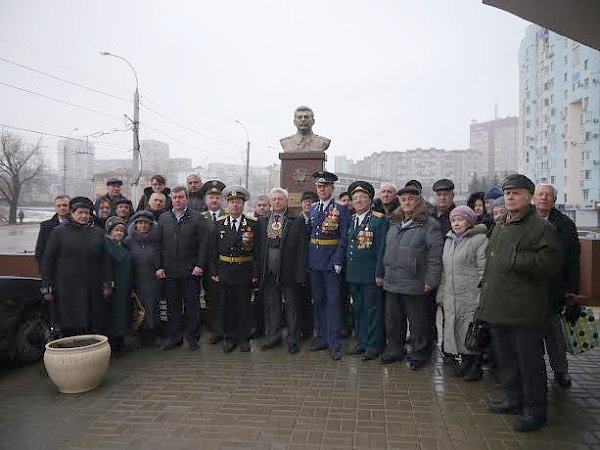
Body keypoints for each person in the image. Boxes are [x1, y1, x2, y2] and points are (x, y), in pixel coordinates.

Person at [479, 174, 562, 432]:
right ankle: (514, 399)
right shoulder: (503, 223)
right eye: (507, 193)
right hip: (498, 308)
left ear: (529, 196)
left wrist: (515, 259)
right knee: (507, 361)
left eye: (516, 192)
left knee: (530, 365)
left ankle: (535, 412)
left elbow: (550, 264)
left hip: (525, 311)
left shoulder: (542, 228)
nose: (510, 197)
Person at [381, 185, 443, 369]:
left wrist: (431, 280)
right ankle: (395, 350)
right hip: (392, 279)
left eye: (411, 199)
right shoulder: (394, 222)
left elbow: (435, 255)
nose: (407, 202)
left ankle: (419, 353)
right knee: (394, 321)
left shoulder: (429, 224)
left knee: (418, 323)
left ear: (418, 200)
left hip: (415, 281)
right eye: (403, 199)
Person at [40, 197, 112, 336]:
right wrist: (46, 287)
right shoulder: (59, 232)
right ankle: (71, 353)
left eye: (87, 213)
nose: (84, 216)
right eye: (80, 212)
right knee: (70, 323)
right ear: (71, 213)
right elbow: (48, 260)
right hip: (67, 287)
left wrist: (107, 283)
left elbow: (105, 260)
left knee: (92, 322)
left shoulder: (97, 233)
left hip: (92, 286)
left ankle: (90, 353)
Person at [533, 183, 580, 388]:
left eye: (548, 195)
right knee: (530, 336)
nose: (544, 198)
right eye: (540, 194)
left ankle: (560, 371)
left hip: (553, 288)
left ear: (554, 200)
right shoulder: (523, 220)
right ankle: (534, 372)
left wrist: (572, 289)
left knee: (554, 335)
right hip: (528, 288)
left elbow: (572, 259)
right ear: (533, 198)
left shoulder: (565, 224)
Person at [436, 205, 488, 381]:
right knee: (457, 330)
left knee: (472, 331)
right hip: (452, 295)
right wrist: (441, 294)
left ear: (470, 221)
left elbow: (484, 270)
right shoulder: (449, 240)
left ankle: (476, 366)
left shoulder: (480, 240)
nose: (456, 223)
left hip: (471, 295)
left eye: (460, 219)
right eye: (453, 220)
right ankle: (465, 362)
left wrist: (482, 296)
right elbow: (444, 271)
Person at [155, 186, 208, 351]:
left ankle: (193, 338)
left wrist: (200, 265)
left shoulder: (197, 218)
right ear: (171, 199)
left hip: (191, 271)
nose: (178, 200)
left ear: (187, 199)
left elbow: (203, 245)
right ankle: (175, 337)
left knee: (192, 307)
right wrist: (159, 267)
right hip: (169, 271)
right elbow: (158, 245)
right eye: (175, 197)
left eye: (181, 197)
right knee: (173, 306)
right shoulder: (164, 218)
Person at [209, 186, 259, 353]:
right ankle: (229, 338)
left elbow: (257, 252)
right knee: (227, 307)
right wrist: (214, 272)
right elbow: (212, 251)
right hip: (225, 271)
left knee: (244, 307)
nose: (235, 205)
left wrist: (255, 273)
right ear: (227, 205)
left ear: (243, 204)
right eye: (232, 202)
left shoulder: (252, 225)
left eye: (238, 202)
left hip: (244, 271)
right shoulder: (218, 224)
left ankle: (244, 339)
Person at [256, 188, 307, 353]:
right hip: (269, 271)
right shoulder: (263, 221)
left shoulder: (296, 220)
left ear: (286, 201)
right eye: (274, 199)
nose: (277, 202)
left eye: (280, 199)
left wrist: (300, 273)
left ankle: (293, 338)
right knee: (272, 305)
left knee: (292, 306)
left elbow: (302, 249)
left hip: (288, 271)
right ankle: (273, 336)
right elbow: (258, 249)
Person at [307, 171, 351, 360]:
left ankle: (334, 342)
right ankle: (322, 337)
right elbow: (311, 236)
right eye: (319, 186)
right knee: (319, 301)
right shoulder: (314, 208)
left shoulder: (340, 209)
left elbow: (344, 237)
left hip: (332, 262)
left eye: (325, 186)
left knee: (333, 303)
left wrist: (338, 260)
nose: (322, 189)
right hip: (315, 262)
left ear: (332, 188)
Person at [345, 181, 387, 361]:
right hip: (354, 274)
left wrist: (380, 273)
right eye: (355, 198)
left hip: (371, 275)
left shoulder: (379, 220)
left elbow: (382, 249)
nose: (359, 200)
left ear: (370, 200)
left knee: (373, 311)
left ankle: (374, 345)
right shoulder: (353, 219)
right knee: (358, 309)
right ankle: (362, 342)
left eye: (363, 197)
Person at [124, 210, 161, 346]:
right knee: (141, 309)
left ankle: (155, 333)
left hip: (154, 280)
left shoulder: (157, 241)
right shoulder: (128, 242)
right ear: (135, 225)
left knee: (154, 307)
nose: (143, 226)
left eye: (146, 223)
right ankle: (142, 335)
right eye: (140, 223)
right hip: (137, 281)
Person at [198, 180, 226, 344]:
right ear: (205, 200)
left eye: (217, 197)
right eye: (211, 197)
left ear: (222, 199)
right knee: (211, 298)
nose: (214, 200)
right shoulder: (199, 218)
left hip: (226, 264)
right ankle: (215, 328)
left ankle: (227, 326)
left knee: (227, 297)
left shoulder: (228, 216)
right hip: (208, 266)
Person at [103, 217, 133, 355]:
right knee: (112, 317)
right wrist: (107, 284)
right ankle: (113, 346)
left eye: (122, 230)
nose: (119, 233)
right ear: (109, 231)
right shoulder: (106, 245)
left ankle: (120, 344)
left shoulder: (124, 246)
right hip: (112, 288)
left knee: (122, 315)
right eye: (116, 230)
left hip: (124, 287)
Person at [298, 190, 317, 339]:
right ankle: (304, 330)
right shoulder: (294, 220)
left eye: (311, 201)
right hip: (299, 268)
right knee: (301, 300)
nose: (308, 204)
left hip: (317, 266)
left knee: (316, 299)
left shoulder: (320, 219)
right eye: (305, 201)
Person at [35, 195, 70, 262]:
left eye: (65, 205)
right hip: (53, 269)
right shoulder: (46, 226)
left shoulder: (78, 225)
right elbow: (40, 251)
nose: (62, 208)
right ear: (55, 208)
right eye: (59, 206)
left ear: (71, 207)